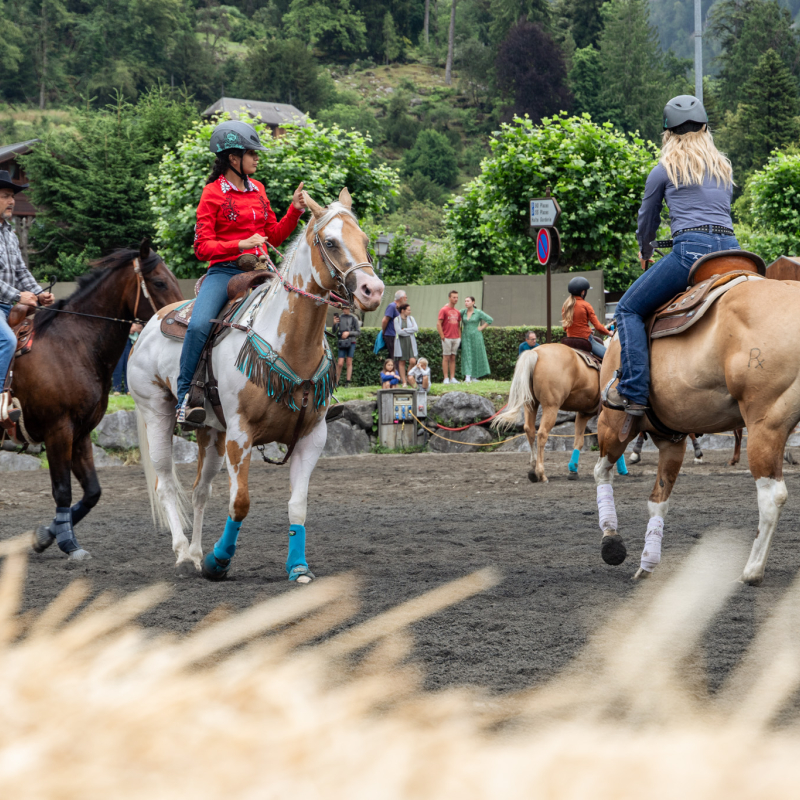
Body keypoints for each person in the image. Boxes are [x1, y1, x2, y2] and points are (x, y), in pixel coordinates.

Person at [604, 95, 739, 416]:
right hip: (734, 251)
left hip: (691, 253)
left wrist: (645, 250)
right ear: (705, 129)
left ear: (668, 134)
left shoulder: (664, 170)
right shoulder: (724, 169)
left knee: (627, 309)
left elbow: (647, 221)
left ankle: (634, 391)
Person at [176, 120, 306, 425]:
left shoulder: (258, 189)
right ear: (234, 159)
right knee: (196, 328)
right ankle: (185, 397)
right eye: (252, 153)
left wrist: (295, 210)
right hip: (224, 272)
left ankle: (306, 392)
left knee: (301, 309)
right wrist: (240, 244)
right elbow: (201, 247)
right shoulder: (212, 194)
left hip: (263, 270)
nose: (257, 158)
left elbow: (273, 235)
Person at [0, 170, 55, 423]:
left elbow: (21, 270)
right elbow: (15, 289)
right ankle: (0, 400)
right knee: (8, 342)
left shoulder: (9, 233)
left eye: (12, 196)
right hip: (5, 304)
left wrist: (39, 294)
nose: (11, 201)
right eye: (5, 196)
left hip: (10, 306)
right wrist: (17, 296)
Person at [561, 276, 612, 358]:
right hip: (585, 340)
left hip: (569, 340)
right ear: (583, 292)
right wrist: (609, 333)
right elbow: (598, 327)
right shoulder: (586, 305)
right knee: (609, 357)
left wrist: (586, 330)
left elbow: (565, 328)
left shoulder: (566, 306)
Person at [459, 296, 493, 383]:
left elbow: (489, 320)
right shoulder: (463, 312)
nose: (466, 303)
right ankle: (467, 376)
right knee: (466, 354)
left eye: (468, 301)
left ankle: (474, 376)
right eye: (465, 301)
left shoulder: (478, 312)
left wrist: (481, 327)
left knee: (475, 354)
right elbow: (455, 314)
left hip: (476, 336)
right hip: (466, 336)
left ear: (473, 302)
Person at [437, 289, 462, 385]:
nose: (456, 299)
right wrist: (442, 336)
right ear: (449, 298)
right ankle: (446, 378)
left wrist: (459, 337)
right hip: (447, 337)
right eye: (454, 297)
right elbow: (439, 324)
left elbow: (458, 325)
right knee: (446, 357)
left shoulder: (457, 312)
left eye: (457, 297)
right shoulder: (443, 310)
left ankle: (452, 378)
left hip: (456, 337)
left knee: (453, 357)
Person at [112, 322, 143, 393]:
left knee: (128, 366)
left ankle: (128, 389)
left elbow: (139, 327)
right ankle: (116, 389)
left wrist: (137, 327)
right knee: (118, 366)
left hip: (131, 343)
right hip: (119, 341)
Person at [392, 302, 419, 386]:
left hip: (411, 341)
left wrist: (405, 330)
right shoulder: (396, 319)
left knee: (413, 361)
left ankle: (408, 376)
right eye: (408, 310)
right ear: (403, 310)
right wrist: (409, 331)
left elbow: (415, 328)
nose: (410, 311)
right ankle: (404, 381)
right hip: (401, 342)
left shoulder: (411, 318)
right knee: (402, 362)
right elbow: (399, 332)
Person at [335, 308, 360, 387]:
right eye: (342, 308)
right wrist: (334, 323)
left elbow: (358, 332)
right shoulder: (340, 317)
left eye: (345, 308)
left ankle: (348, 382)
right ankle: (336, 381)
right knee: (340, 363)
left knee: (349, 362)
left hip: (351, 341)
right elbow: (334, 330)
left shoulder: (354, 318)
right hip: (342, 342)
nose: (344, 310)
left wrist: (348, 333)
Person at [381, 289, 406, 360]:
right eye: (405, 298)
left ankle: (387, 371)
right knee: (395, 357)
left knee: (391, 358)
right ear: (401, 298)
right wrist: (384, 332)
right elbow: (385, 320)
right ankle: (395, 371)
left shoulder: (398, 308)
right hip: (391, 335)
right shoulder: (392, 306)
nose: (406, 299)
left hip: (396, 335)